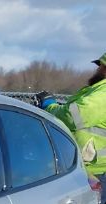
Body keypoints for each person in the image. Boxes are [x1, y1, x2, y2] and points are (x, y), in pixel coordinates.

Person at [39, 53, 106, 196]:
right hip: (88, 167)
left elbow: (73, 116)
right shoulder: (99, 90)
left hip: (92, 171)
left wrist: (49, 105)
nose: (97, 69)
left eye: (100, 65)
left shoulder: (104, 93)